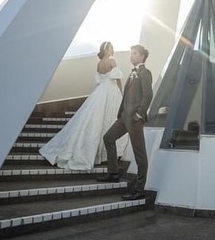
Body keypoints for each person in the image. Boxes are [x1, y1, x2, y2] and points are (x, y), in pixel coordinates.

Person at [39, 41, 130, 170]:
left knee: (95, 120)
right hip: (111, 92)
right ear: (107, 50)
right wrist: (121, 94)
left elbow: (99, 81)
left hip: (100, 92)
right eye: (111, 48)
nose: (112, 50)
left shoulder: (99, 64)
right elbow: (118, 79)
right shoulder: (112, 61)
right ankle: (105, 153)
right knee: (109, 119)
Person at [99, 44, 152, 201]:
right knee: (108, 138)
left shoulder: (145, 73)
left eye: (135, 53)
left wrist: (139, 114)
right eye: (131, 53)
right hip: (124, 117)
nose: (131, 56)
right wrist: (121, 113)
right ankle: (113, 173)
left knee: (139, 154)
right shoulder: (132, 73)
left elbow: (148, 96)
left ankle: (139, 190)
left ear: (142, 56)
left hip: (135, 119)